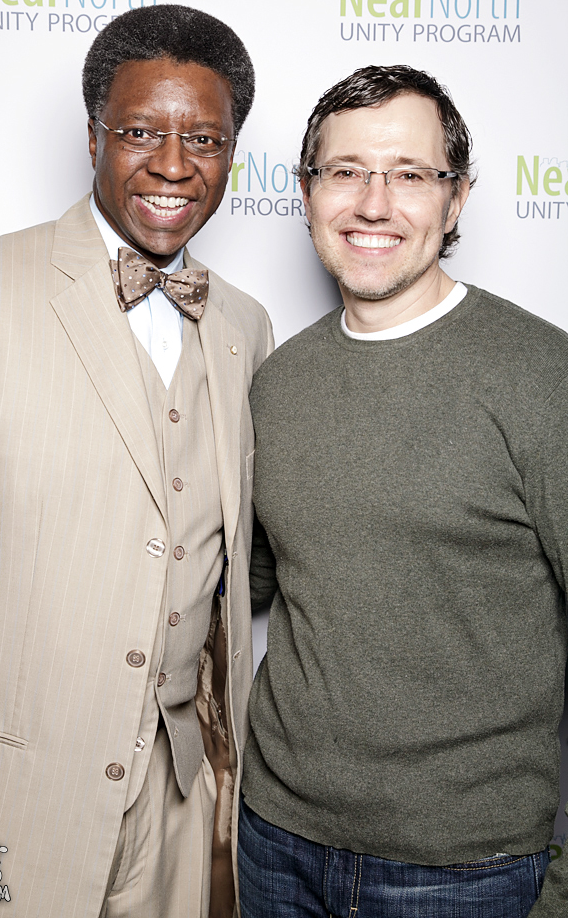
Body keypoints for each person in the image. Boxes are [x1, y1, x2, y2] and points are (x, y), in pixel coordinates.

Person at [0, 3, 272, 918]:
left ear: (232, 153)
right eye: (141, 131)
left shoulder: (244, 326)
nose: (174, 165)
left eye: (204, 139)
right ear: (95, 136)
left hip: (177, 810)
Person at [239, 64, 568, 917]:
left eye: (410, 175)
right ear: (305, 192)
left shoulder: (544, 378)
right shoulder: (277, 382)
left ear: (455, 200)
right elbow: (251, 584)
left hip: (467, 869)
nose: (373, 204)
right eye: (345, 171)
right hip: (273, 839)